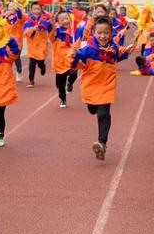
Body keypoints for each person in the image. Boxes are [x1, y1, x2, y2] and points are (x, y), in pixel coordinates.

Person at [71, 16, 133, 160]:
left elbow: (118, 55)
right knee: (93, 109)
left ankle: (102, 143)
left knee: (103, 113)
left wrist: (126, 51)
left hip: (107, 85)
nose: (103, 36)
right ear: (93, 32)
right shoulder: (87, 49)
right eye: (99, 33)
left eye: (106, 33)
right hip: (90, 86)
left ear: (110, 33)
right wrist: (74, 56)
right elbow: (75, 64)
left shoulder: (113, 47)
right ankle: (92, 106)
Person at [51, 10, 80, 108]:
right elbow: (51, 34)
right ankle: (62, 99)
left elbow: (80, 40)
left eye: (66, 18)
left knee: (73, 73)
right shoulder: (56, 33)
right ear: (58, 22)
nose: (65, 21)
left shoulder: (75, 31)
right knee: (59, 84)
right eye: (62, 19)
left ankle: (70, 82)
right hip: (59, 62)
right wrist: (52, 23)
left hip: (71, 59)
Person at [24, 2, 52, 87]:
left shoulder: (44, 20)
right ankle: (31, 80)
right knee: (31, 64)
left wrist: (51, 23)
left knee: (40, 62)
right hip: (32, 46)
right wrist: (32, 29)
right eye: (34, 9)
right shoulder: (28, 21)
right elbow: (25, 32)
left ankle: (42, 66)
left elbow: (50, 28)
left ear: (41, 10)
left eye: (38, 9)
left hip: (41, 46)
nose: (36, 11)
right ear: (31, 10)